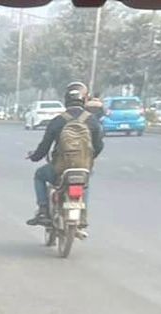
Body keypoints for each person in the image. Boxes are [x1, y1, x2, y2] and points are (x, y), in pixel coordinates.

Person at [26, 81, 103, 227]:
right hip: (83, 167)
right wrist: (88, 158)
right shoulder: (92, 121)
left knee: (39, 175)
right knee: (84, 182)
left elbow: (44, 146)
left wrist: (34, 157)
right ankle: (82, 214)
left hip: (60, 168)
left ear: (66, 100)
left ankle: (43, 210)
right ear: (84, 99)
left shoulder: (58, 120)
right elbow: (98, 146)